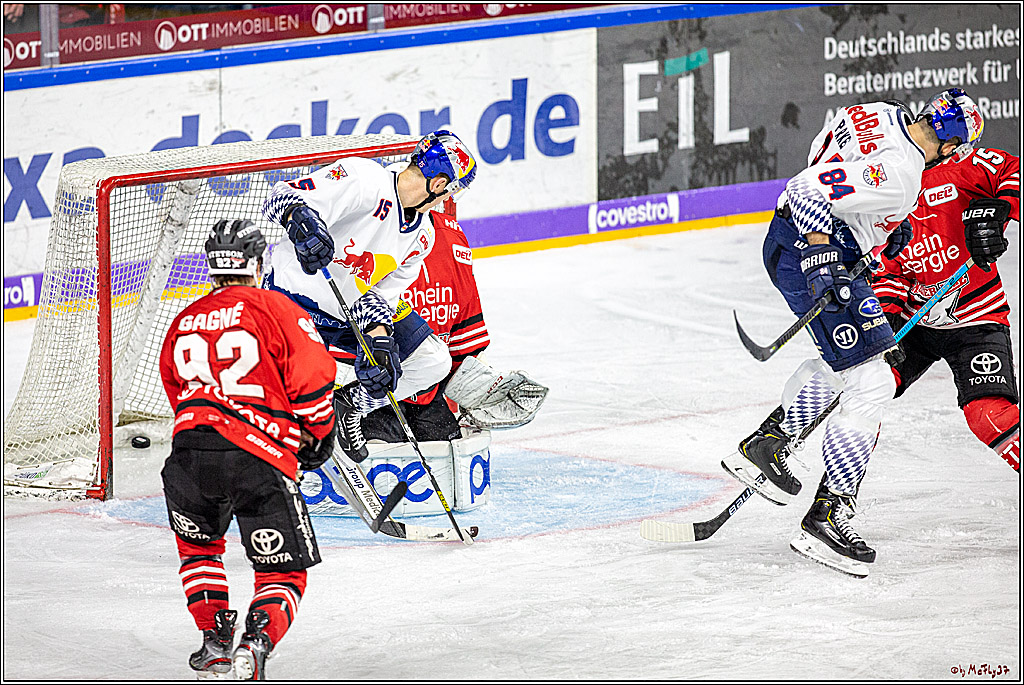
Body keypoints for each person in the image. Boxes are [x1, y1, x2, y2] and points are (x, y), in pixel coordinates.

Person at [724, 88, 985, 576]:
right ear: (952, 149)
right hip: (814, 255)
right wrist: (823, 253)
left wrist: (878, 226)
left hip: (795, 243)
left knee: (851, 363)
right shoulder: (905, 175)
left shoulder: (878, 112)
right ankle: (827, 516)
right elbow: (805, 190)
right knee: (874, 381)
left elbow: (825, 153)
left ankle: (770, 443)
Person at [158, 219, 337, 680]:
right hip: (255, 459)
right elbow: (313, 376)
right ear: (257, 264)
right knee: (283, 572)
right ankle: (254, 645)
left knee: (199, 553)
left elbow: (176, 389)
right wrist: (317, 435)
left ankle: (214, 643)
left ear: (212, 267)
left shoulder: (184, 319)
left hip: (188, 455)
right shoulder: (277, 308)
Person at [260, 129, 477, 462]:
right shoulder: (363, 179)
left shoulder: (423, 236)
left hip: (343, 312)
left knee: (432, 360)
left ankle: (350, 407)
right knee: (288, 386)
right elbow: (280, 196)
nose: (448, 198)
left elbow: (378, 297)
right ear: (438, 182)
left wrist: (377, 339)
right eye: (451, 189)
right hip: (288, 302)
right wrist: (301, 224)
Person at [870, 146, 1019, 471]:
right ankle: (833, 498)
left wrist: (1001, 210)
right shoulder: (885, 185)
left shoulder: (968, 166)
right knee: (865, 390)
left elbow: (1012, 169)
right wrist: (884, 322)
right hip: (913, 326)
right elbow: (887, 266)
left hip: (977, 320)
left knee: (988, 415)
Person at [358, 207, 548, 442]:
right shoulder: (369, 232)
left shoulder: (450, 238)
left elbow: (463, 333)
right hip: (371, 394)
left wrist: (481, 387)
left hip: (426, 391)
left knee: (449, 449)